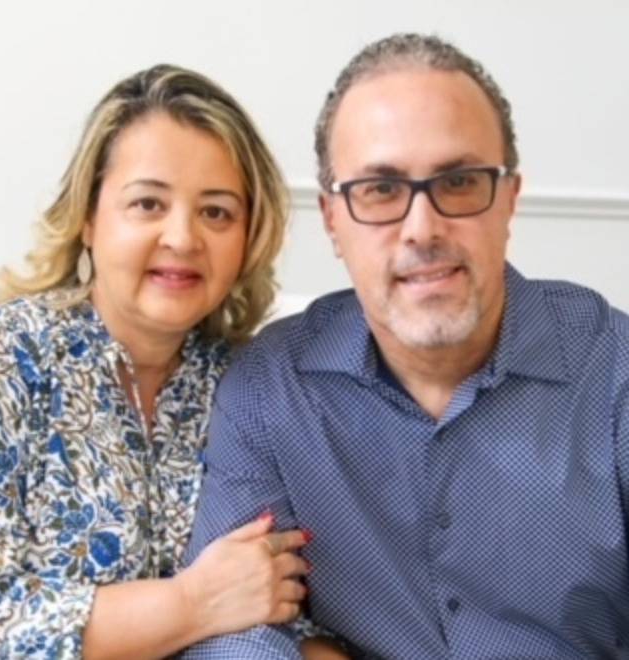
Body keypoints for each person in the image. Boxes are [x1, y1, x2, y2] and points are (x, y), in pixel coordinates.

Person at [182, 33, 629, 659]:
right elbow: (238, 630)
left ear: (509, 201)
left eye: (460, 181)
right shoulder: (269, 391)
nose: (422, 228)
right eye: (381, 190)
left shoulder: (614, 375)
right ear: (333, 220)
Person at [0, 64, 322, 659]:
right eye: (148, 203)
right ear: (88, 217)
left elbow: (285, 602)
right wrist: (191, 604)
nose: (183, 238)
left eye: (217, 212)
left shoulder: (250, 384)